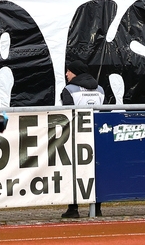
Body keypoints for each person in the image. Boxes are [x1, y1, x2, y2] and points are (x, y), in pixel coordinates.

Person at [60, 60, 105, 219]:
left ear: (76, 72)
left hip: (76, 137)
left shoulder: (69, 90)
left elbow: (66, 116)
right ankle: (97, 209)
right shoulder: (100, 90)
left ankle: (73, 208)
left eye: (69, 71)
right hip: (96, 136)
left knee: (73, 172)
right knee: (96, 172)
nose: (67, 74)